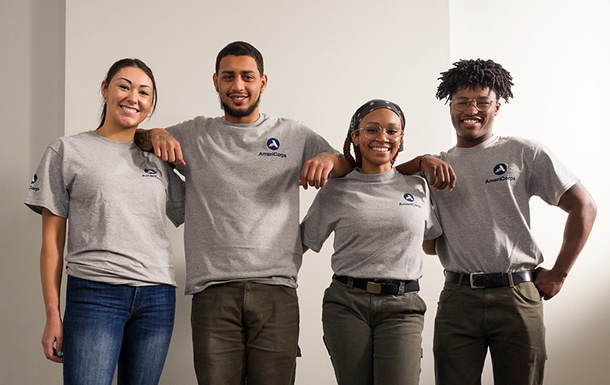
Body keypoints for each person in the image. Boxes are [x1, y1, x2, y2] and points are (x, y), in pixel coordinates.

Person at [133, 41, 354, 385]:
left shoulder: (293, 133)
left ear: (262, 82)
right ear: (216, 81)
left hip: (276, 291)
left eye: (247, 77)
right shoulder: (195, 132)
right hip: (212, 291)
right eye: (229, 77)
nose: (238, 86)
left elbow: (347, 165)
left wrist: (328, 158)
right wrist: (156, 132)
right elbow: (139, 139)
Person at [424, 59, 597, 385]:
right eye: (461, 101)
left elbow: (584, 206)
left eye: (482, 102)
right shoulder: (436, 167)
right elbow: (430, 247)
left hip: (517, 295)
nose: (471, 109)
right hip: (458, 299)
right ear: (450, 106)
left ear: (498, 107)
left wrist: (559, 274)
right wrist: (421, 161)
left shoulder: (523, 152)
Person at [25, 58, 185, 385]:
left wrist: (160, 135)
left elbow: (197, 209)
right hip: (95, 294)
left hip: (156, 298)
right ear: (105, 89)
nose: (133, 97)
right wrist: (53, 315)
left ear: (151, 105)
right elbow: (52, 244)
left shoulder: (157, 158)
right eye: (124, 86)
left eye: (144, 92)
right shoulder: (67, 151)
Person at [300, 99, 442, 385]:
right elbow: (302, 243)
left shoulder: (418, 186)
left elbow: (431, 244)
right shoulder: (336, 189)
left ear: (401, 139)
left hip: (402, 306)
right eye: (372, 130)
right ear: (355, 136)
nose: (382, 138)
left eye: (392, 131)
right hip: (346, 304)